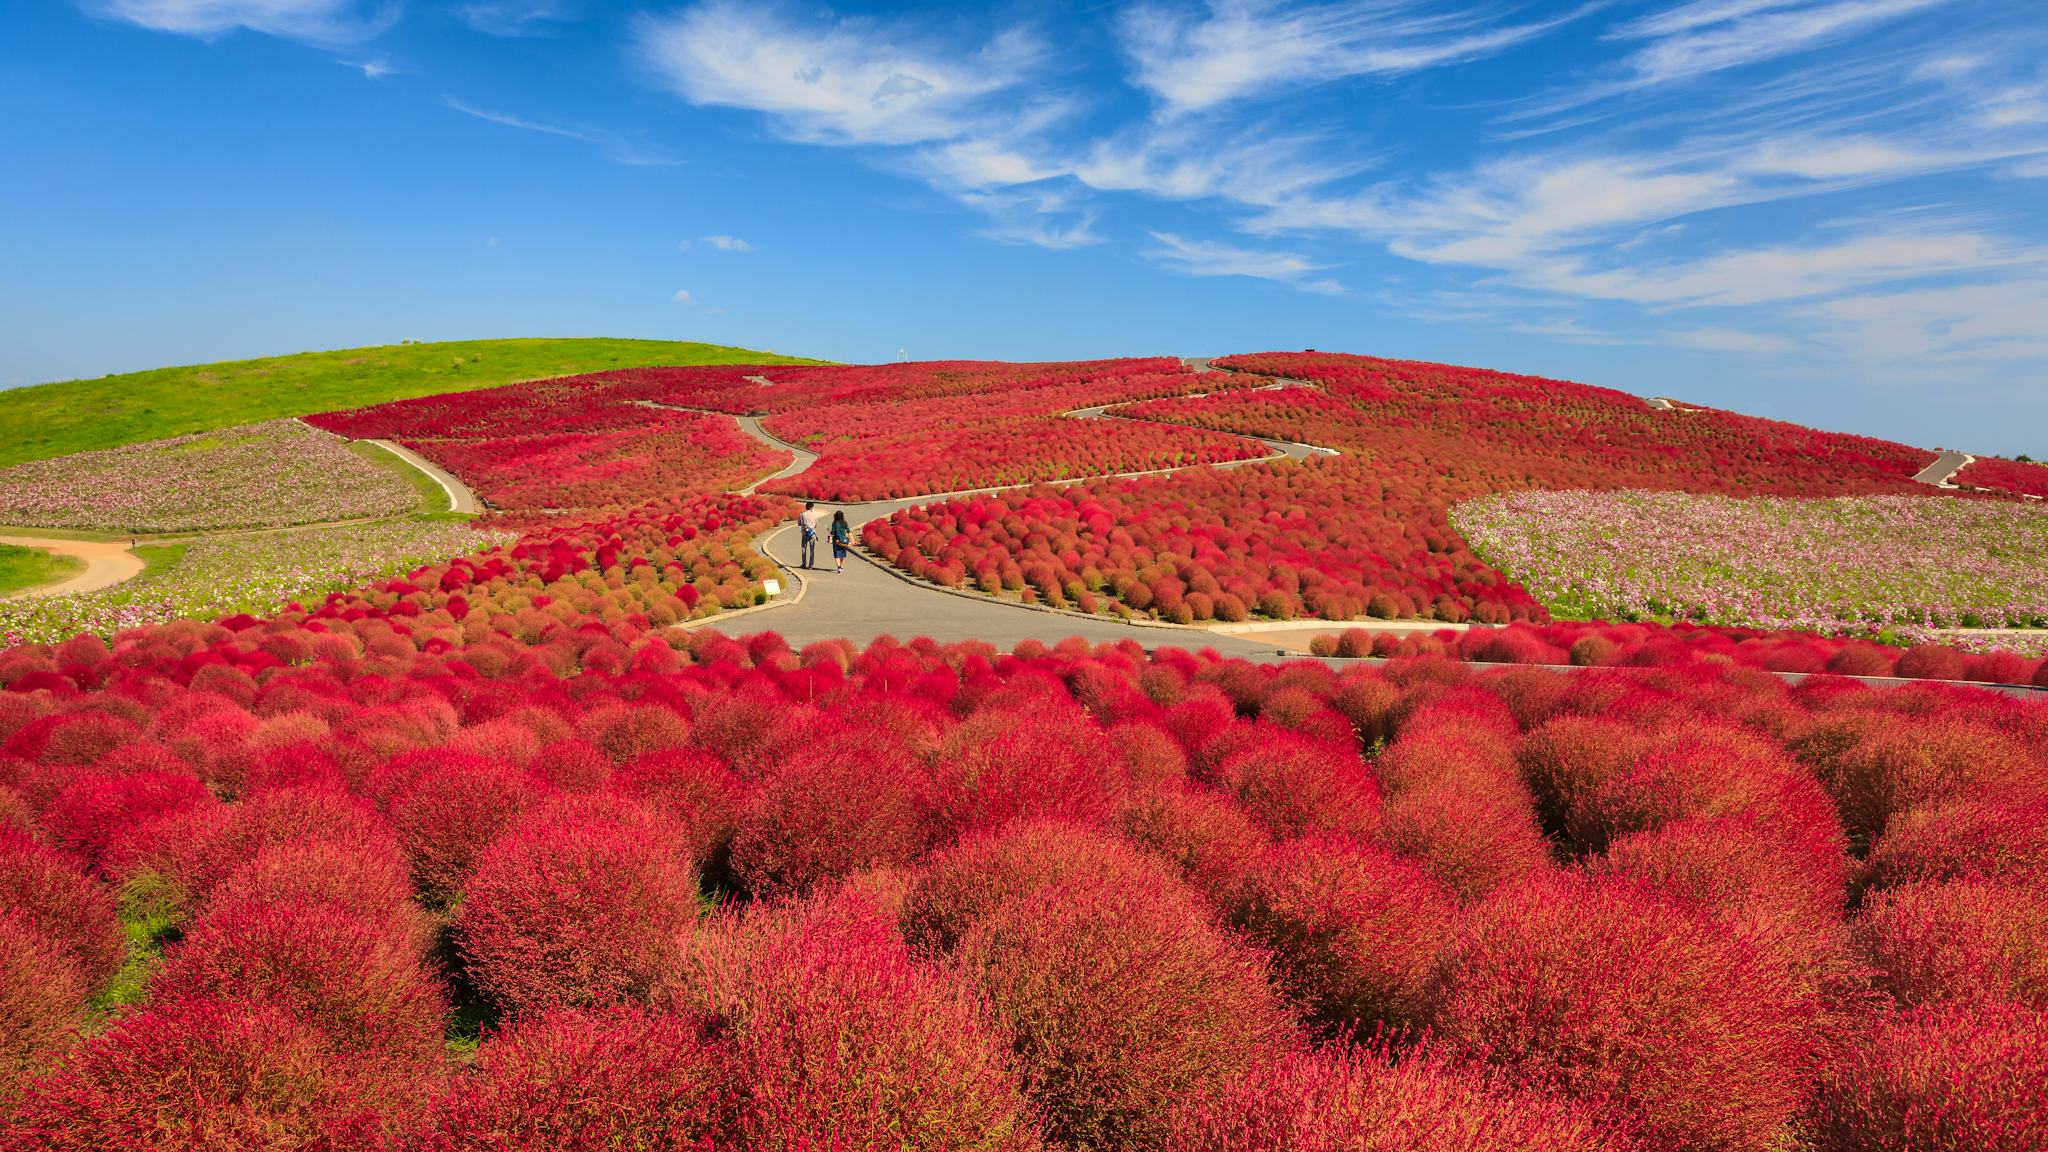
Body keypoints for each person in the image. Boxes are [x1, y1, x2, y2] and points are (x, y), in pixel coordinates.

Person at [797, 501, 821, 569]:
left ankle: (804, 564)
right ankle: (811, 565)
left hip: (804, 534)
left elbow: (799, 523)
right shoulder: (815, 515)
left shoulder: (802, 514)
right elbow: (816, 525)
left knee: (803, 549)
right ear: (811, 507)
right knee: (812, 550)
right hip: (812, 533)